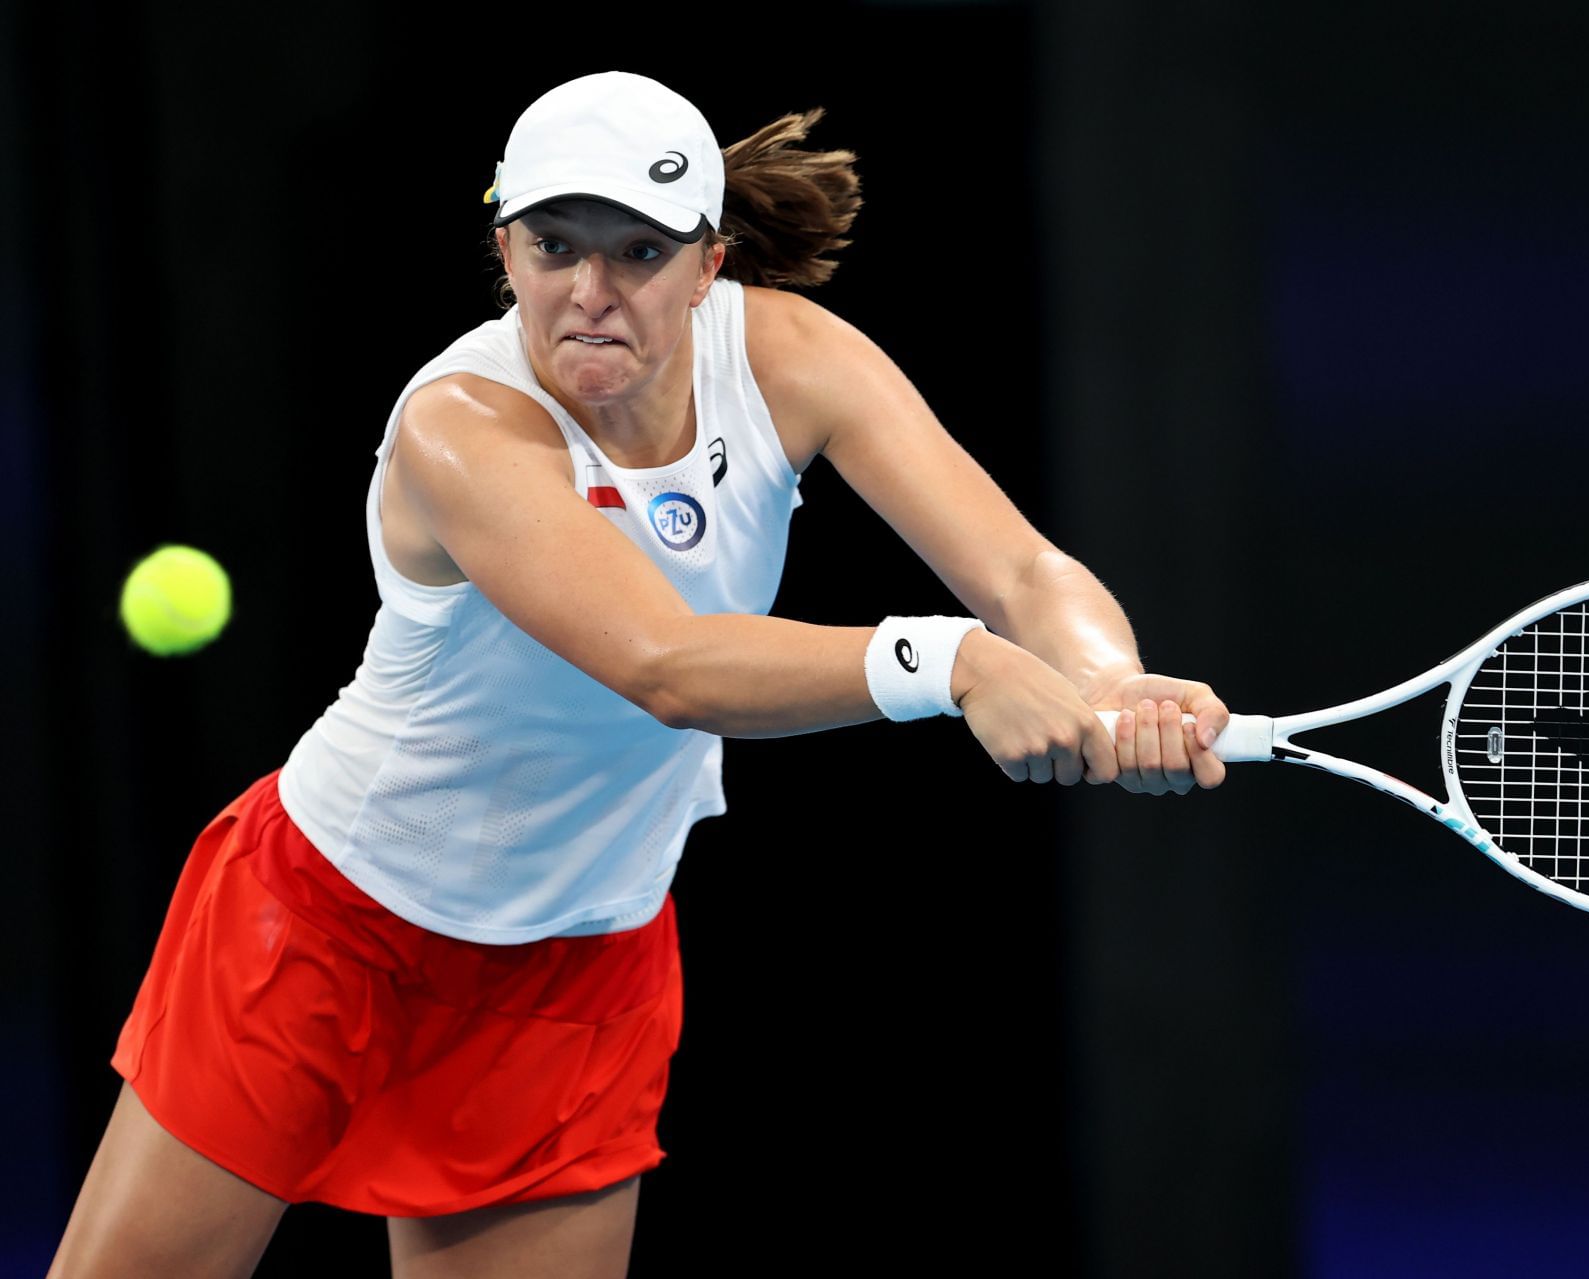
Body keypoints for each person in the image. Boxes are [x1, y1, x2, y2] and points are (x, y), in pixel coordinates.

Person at [48, 72, 1231, 1279]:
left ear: (711, 262)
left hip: (578, 970)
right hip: (322, 927)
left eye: (640, 253)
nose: (590, 294)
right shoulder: (462, 425)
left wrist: (1113, 683)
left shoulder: (793, 362)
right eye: (554, 246)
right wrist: (950, 662)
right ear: (503, 244)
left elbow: (1029, 571)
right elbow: (665, 665)